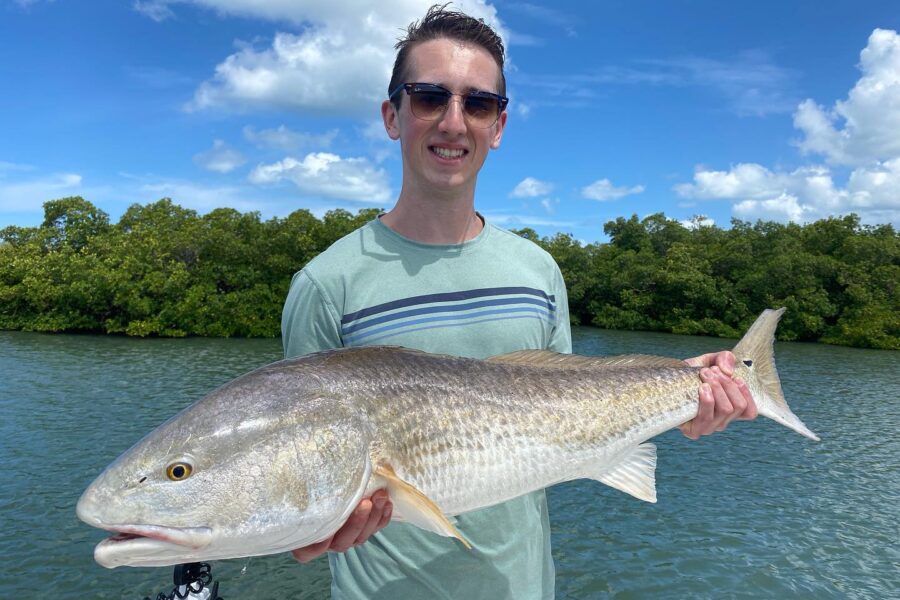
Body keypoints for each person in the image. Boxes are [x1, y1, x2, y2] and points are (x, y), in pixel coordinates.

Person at [280, 5, 757, 599]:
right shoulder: (325, 284)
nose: (454, 122)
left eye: (478, 104)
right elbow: (305, 474)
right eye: (429, 98)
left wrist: (686, 391)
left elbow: (572, 407)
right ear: (392, 116)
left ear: (499, 125)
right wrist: (312, 528)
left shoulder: (538, 271)